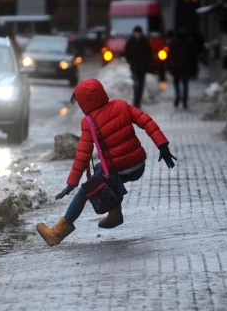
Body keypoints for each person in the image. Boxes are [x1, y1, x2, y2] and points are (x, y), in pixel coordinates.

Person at [36, 78, 177, 246]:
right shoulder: (121, 105)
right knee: (99, 169)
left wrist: (71, 184)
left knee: (85, 189)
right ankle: (115, 214)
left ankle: (57, 232)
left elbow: (83, 154)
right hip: (138, 166)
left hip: (119, 170)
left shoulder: (89, 122)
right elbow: (147, 122)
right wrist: (163, 146)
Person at [123, 26, 152, 109]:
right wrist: (130, 61)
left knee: (141, 85)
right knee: (136, 84)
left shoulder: (144, 41)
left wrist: (146, 64)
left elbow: (148, 53)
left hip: (142, 68)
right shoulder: (131, 41)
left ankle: (138, 102)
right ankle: (136, 102)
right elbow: (126, 52)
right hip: (134, 67)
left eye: (137, 33)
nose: (136, 34)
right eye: (135, 33)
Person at [167, 26, 196, 109]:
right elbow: (193, 56)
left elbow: (169, 56)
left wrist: (169, 66)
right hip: (186, 67)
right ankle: (185, 101)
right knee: (185, 85)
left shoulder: (173, 42)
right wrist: (193, 68)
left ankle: (178, 96)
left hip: (176, 67)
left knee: (176, 84)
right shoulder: (189, 42)